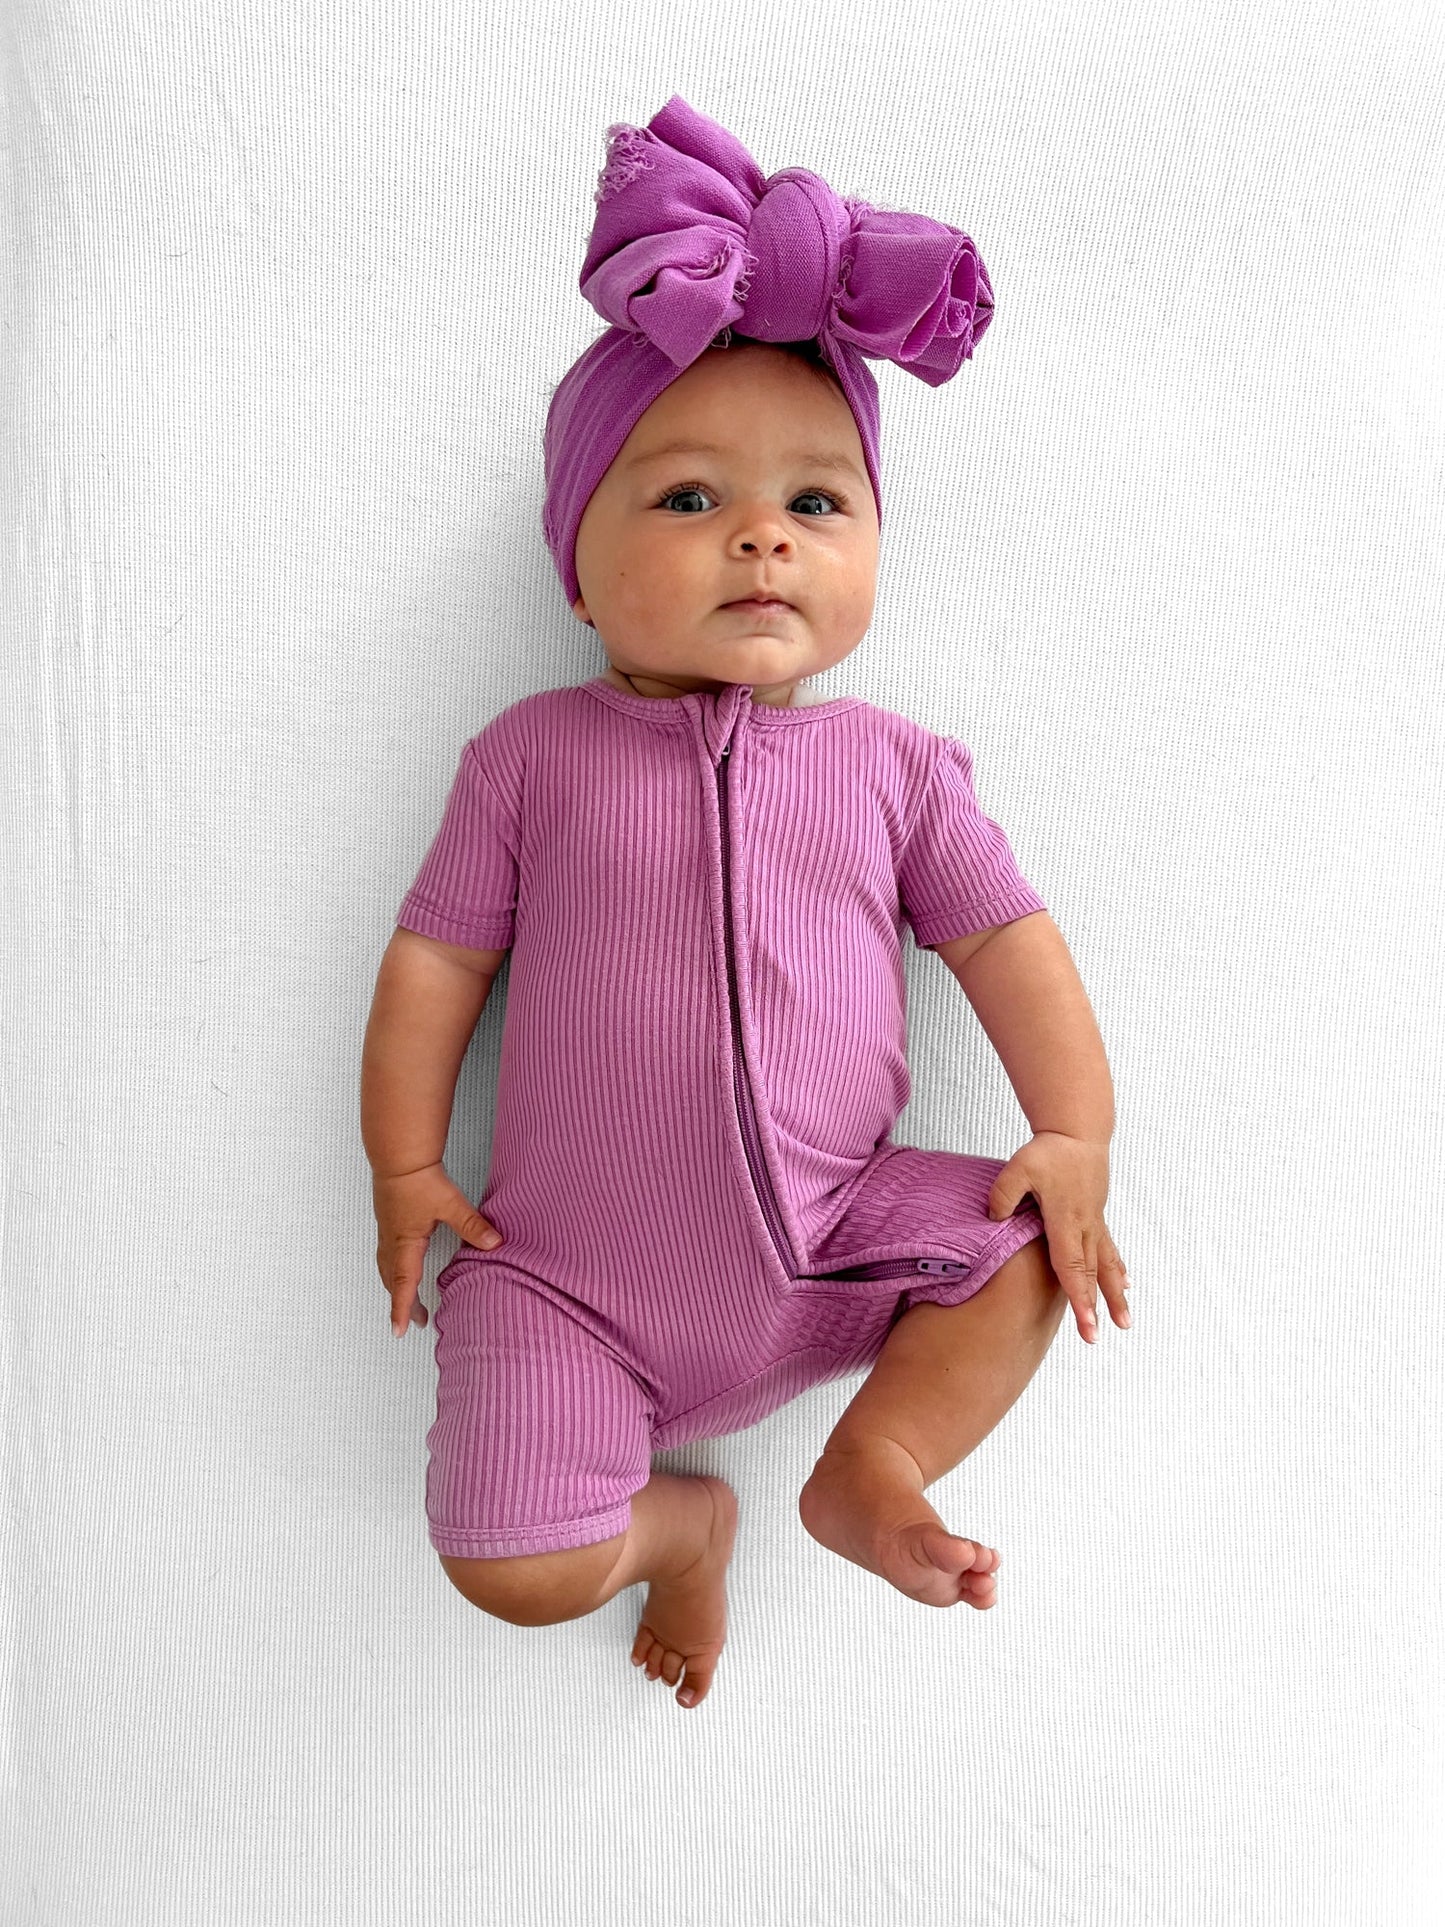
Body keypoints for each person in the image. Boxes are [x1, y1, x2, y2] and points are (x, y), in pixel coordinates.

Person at [359, 96, 1130, 1713]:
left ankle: (872, 1464)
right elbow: (436, 961)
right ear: (577, 568)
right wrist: (408, 1161)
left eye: (817, 505)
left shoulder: (893, 769)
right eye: (687, 500)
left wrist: (1073, 1128)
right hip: (569, 1283)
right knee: (509, 1567)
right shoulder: (530, 756)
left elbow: (1006, 939)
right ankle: (681, 1529)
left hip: (843, 1235)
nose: (762, 535)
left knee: (1025, 1247)